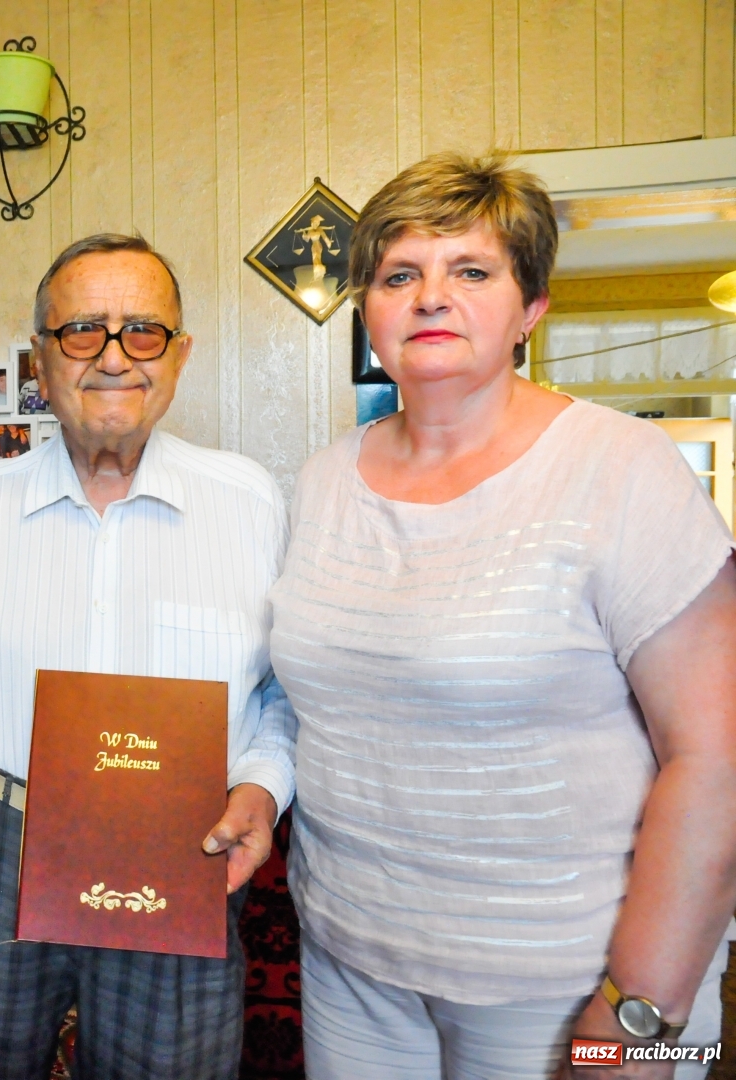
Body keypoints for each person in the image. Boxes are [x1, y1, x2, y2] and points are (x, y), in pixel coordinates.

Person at [269, 152, 736, 1079]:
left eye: (471, 271)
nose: (431, 297)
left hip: (564, 982)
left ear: (531, 310)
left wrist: (640, 1015)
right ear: (370, 310)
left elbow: (717, 758)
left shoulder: (623, 467)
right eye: (400, 275)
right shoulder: (323, 479)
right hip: (351, 962)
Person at [0, 234, 296, 1080]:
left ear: (180, 355)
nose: (114, 358)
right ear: (41, 356)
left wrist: (262, 784)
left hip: (185, 846)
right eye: (82, 332)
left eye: (143, 332)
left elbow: (283, 694)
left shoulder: (249, 502)